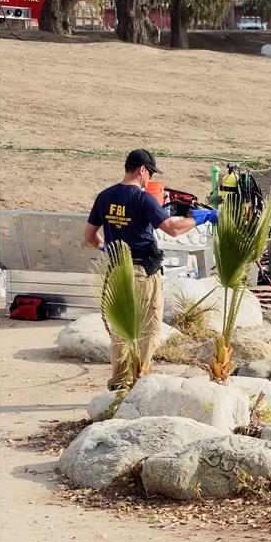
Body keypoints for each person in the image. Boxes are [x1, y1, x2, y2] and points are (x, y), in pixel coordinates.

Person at [83, 149, 218, 390]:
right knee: (148, 327)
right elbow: (173, 229)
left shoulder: (104, 196)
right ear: (141, 169)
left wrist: (107, 248)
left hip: (117, 271)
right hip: (143, 272)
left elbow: (89, 237)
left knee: (121, 330)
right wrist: (202, 218)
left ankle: (118, 382)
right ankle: (139, 380)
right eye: (150, 174)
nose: (150, 180)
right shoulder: (143, 199)